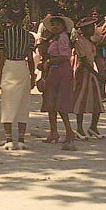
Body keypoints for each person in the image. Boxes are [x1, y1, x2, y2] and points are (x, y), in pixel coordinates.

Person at [0, 8, 36, 150]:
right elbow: (30, 58)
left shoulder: (4, 35)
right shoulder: (29, 36)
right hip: (22, 67)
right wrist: (33, 75)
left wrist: (0, 76)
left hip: (9, 67)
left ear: (10, 19)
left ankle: (8, 139)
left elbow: (1, 58)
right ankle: (21, 139)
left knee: (8, 102)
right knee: (22, 103)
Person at [39, 15, 76, 151]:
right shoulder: (53, 38)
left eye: (57, 24)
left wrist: (49, 62)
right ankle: (54, 131)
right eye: (52, 24)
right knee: (51, 103)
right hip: (53, 71)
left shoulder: (63, 38)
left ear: (63, 27)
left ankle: (68, 132)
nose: (54, 26)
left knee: (59, 103)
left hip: (60, 71)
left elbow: (64, 56)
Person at [72, 17, 106, 140]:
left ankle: (93, 126)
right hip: (83, 73)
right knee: (81, 100)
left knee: (97, 101)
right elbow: (84, 61)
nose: (93, 29)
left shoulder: (91, 42)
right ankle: (79, 128)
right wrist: (95, 73)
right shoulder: (79, 42)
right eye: (90, 27)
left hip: (90, 72)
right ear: (84, 30)